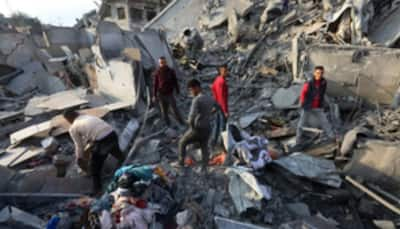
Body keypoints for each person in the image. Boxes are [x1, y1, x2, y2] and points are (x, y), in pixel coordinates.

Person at [63, 110, 125, 193]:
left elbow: (79, 146)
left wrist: (79, 158)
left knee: (94, 168)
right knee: (115, 151)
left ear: (68, 119)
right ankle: (124, 161)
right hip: (112, 134)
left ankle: (97, 189)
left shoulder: (73, 128)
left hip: (102, 141)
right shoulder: (88, 116)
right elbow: (92, 132)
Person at [179, 79, 217, 171]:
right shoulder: (210, 98)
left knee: (182, 142)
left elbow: (191, 117)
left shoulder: (196, 100)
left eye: (191, 90)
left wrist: (192, 127)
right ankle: (205, 168)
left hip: (198, 128)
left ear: (196, 87)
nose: (191, 92)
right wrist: (208, 114)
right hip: (207, 128)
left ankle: (181, 164)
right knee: (204, 146)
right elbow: (217, 108)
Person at [295, 66, 335, 146]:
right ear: (314, 73)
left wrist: (322, 103)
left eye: (321, 73)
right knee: (301, 123)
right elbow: (303, 93)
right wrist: (303, 103)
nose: (319, 75)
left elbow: (322, 93)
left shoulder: (323, 82)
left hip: (318, 106)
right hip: (308, 106)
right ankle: (298, 140)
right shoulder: (309, 82)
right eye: (317, 73)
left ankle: (332, 137)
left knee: (325, 121)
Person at [152, 56, 185, 127]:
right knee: (164, 112)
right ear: (159, 64)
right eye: (161, 63)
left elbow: (175, 81)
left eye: (163, 62)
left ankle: (182, 123)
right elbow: (156, 84)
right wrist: (154, 95)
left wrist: (177, 91)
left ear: (166, 62)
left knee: (175, 110)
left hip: (169, 94)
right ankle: (168, 125)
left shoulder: (170, 71)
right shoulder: (158, 72)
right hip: (161, 95)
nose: (162, 64)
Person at [211, 65, 229, 146]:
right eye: (224, 71)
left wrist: (215, 104)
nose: (226, 73)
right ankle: (221, 144)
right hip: (221, 106)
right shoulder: (222, 82)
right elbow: (222, 98)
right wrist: (225, 111)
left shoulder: (217, 79)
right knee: (222, 126)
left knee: (216, 124)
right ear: (220, 71)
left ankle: (213, 142)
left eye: (226, 71)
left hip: (217, 105)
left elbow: (213, 89)